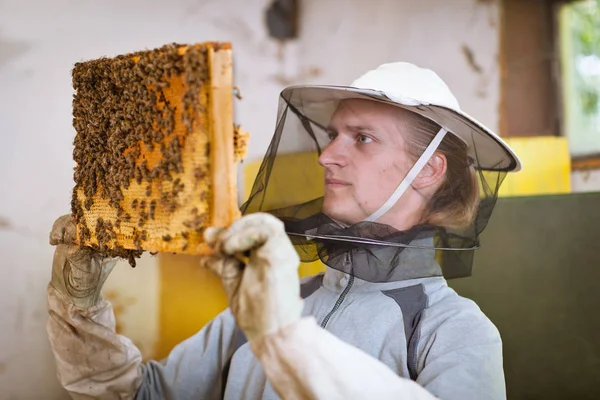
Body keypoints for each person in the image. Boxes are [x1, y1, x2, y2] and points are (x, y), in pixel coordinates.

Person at [47, 62, 521, 399]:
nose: (326, 155)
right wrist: (79, 308)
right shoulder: (270, 303)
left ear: (428, 169)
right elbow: (143, 395)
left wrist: (282, 335)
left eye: (362, 138)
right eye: (333, 135)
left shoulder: (454, 331)